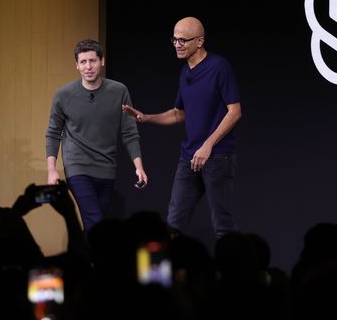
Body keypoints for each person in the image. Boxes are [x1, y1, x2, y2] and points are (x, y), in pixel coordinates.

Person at [122, 16, 242, 239]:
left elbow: (234, 111)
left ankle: (232, 272)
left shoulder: (218, 66)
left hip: (217, 157)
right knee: (174, 223)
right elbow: (178, 114)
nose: (177, 44)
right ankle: (170, 272)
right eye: (174, 39)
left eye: (183, 40)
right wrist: (145, 117)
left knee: (223, 225)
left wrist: (208, 145)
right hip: (189, 157)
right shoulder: (185, 72)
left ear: (199, 41)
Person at [46, 38, 148, 233]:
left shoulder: (118, 91)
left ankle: (88, 261)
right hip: (77, 167)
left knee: (97, 226)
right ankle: (97, 262)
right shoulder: (64, 95)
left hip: (106, 168)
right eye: (83, 62)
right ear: (76, 65)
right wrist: (52, 170)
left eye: (92, 60)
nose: (88, 66)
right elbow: (53, 132)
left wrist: (138, 167)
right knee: (95, 220)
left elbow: (129, 131)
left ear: (101, 61)